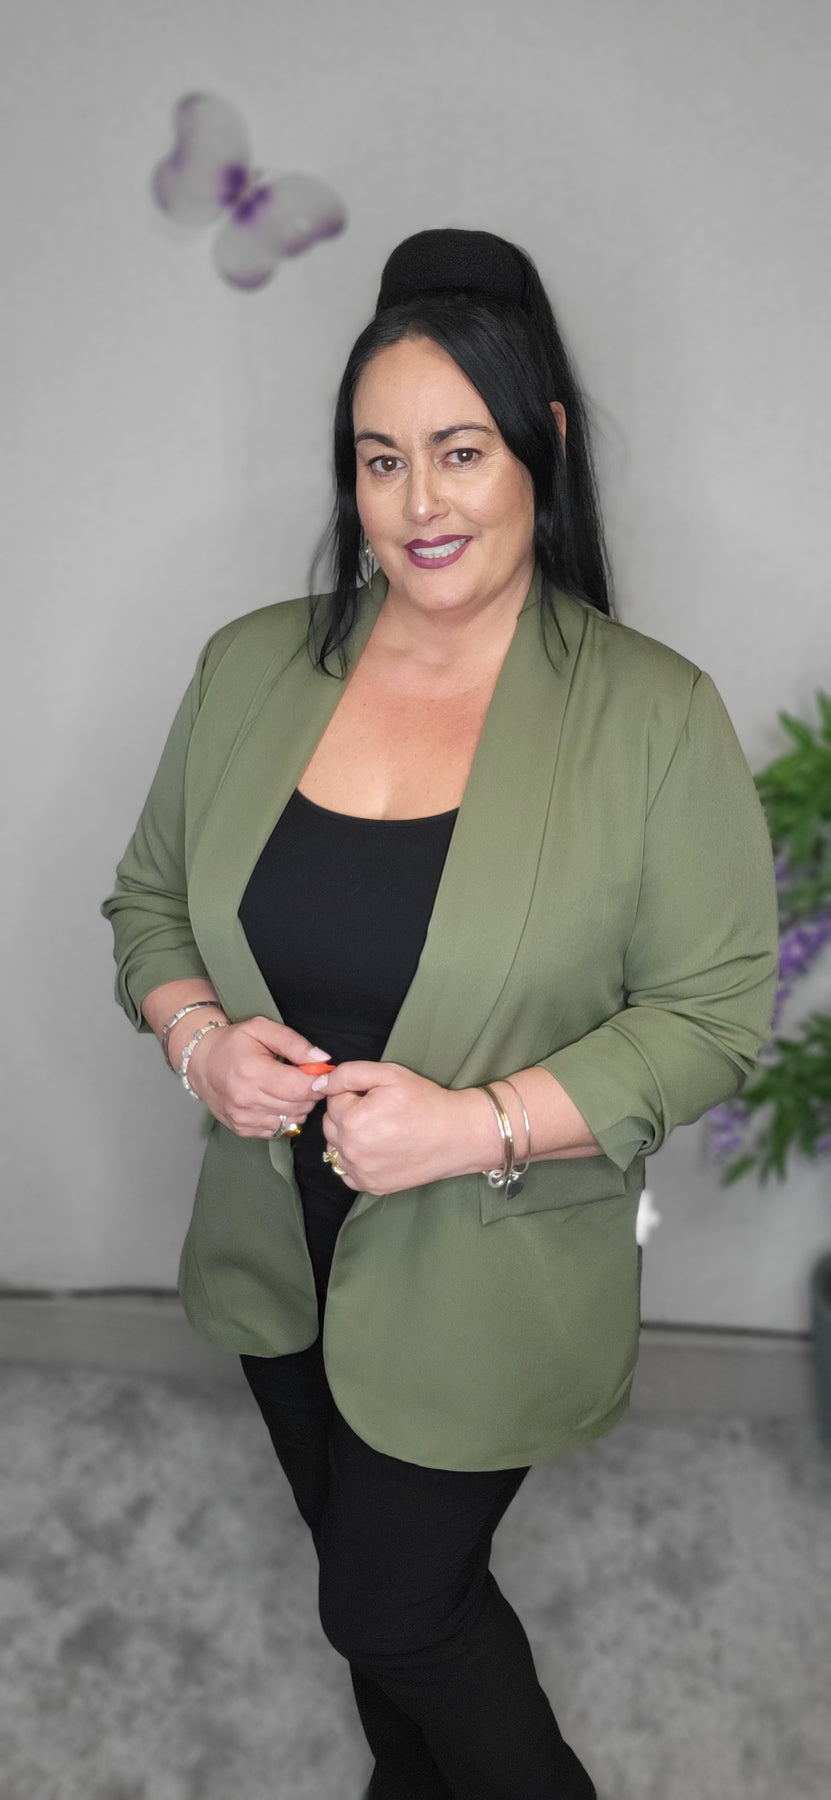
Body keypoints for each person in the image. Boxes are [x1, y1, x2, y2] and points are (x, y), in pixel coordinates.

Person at [102, 228, 779, 1800]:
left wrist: (470, 1126)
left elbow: (711, 1018)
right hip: (281, 1254)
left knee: (389, 1608)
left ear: (544, 444)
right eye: (381, 458)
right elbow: (148, 907)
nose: (420, 502)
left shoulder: (652, 714)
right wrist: (200, 1042)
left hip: (490, 1273)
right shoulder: (250, 669)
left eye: (461, 450)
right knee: (370, 1599)